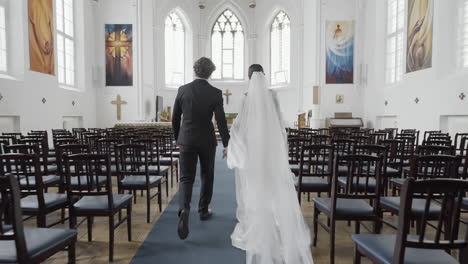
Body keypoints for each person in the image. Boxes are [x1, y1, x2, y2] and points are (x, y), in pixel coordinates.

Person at [227, 64, 313, 264]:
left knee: (254, 188)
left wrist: (234, 146)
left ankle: (258, 224)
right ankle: (275, 224)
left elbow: (239, 126)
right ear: (264, 76)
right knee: (273, 188)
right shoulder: (273, 95)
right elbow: (279, 124)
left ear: (249, 77)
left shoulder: (246, 97)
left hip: (253, 151)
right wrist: (280, 149)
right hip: (271, 149)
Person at [172, 57, 230, 240]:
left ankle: (184, 209)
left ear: (195, 70)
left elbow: (175, 118)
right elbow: (221, 121)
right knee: (207, 174)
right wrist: (227, 143)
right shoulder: (215, 93)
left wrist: (177, 138)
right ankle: (203, 210)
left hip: (186, 140)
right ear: (211, 72)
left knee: (186, 178)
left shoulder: (183, 90)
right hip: (207, 141)